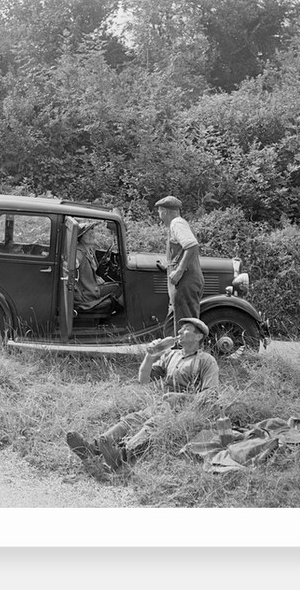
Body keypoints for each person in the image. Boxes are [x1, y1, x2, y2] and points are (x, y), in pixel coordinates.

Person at [66, 317, 220, 471]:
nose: (179, 332)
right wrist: (150, 355)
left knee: (153, 423)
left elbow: (210, 395)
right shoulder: (172, 356)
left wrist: (180, 398)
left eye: (186, 328)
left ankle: (121, 456)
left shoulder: (207, 360)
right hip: (164, 405)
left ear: (199, 336)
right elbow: (143, 379)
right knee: (133, 418)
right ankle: (93, 449)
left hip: (186, 411)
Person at [154, 195, 204, 335]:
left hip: (185, 281)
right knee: (173, 325)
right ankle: (173, 353)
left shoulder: (177, 223)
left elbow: (192, 246)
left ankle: (189, 355)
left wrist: (179, 270)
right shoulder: (177, 224)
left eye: (159, 211)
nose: (159, 216)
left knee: (187, 325)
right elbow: (182, 250)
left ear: (165, 211)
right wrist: (170, 264)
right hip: (181, 282)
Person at [74, 221, 122, 312]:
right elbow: (73, 263)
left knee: (117, 285)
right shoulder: (79, 252)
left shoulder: (90, 249)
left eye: (92, 232)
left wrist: (96, 277)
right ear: (81, 237)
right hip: (86, 293)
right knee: (118, 288)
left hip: (92, 286)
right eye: (88, 234)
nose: (92, 235)